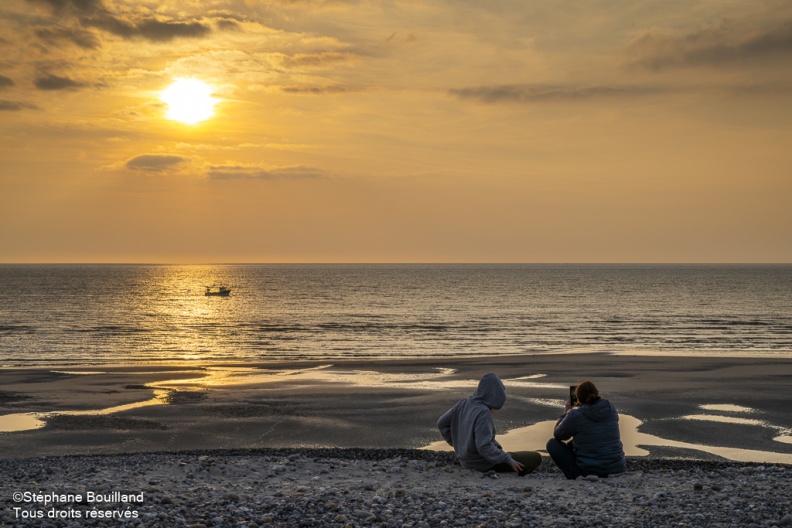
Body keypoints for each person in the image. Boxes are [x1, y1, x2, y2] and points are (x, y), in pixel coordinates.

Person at [437, 372, 541, 475]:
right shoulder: (483, 412)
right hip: (485, 464)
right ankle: (515, 473)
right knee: (535, 457)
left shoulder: (463, 403)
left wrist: (458, 444)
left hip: (465, 462)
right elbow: (484, 447)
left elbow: (441, 423)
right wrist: (508, 460)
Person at [546, 380, 626, 479]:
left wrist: (566, 413)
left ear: (578, 398)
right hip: (617, 468)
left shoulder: (575, 415)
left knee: (552, 444)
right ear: (597, 394)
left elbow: (558, 435)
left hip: (588, 471)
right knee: (579, 441)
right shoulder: (610, 408)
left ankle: (578, 473)